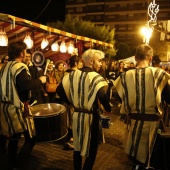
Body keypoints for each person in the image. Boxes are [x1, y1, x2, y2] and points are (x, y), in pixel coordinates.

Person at [114, 44, 170, 170]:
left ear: (135, 57)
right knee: (151, 161)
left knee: (135, 161)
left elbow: (119, 98)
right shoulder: (160, 75)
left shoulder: (124, 77)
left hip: (133, 125)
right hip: (154, 127)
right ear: (150, 58)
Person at [56, 49, 111, 170]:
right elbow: (102, 95)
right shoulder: (96, 77)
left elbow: (59, 90)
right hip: (91, 116)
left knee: (77, 146)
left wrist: (71, 102)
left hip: (76, 115)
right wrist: (108, 108)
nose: (101, 64)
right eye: (99, 61)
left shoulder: (71, 75)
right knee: (92, 147)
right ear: (91, 61)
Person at [0, 41, 46, 170]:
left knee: (14, 138)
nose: (26, 54)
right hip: (15, 108)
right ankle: (18, 163)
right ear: (21, 53)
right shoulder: (19, 66)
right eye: (25, 52)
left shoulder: (4, 66)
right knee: (31, 137)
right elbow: (25, 85)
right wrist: (40, 80)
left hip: (4, 107)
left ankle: (12, 163)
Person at [63, 55, 83, 150]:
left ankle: (69, 139)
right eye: (80, 62)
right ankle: (72, 140)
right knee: (74, 122)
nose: (81, 64)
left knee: (68, 121)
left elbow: (60, 89)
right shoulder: (78, 74)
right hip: (75, 102)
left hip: (66, 102)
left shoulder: (65, 73)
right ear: (76, 63)